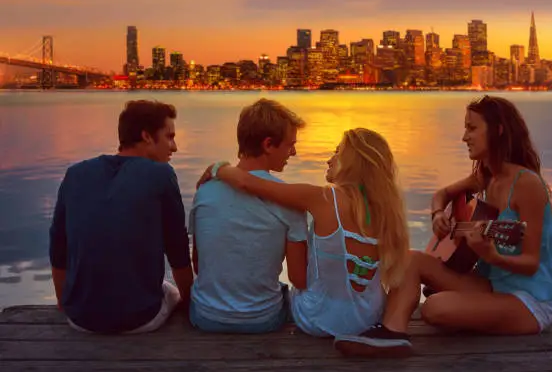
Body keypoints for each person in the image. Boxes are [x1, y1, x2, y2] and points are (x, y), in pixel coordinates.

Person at [335, 95, 552, 357]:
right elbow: (442, 195)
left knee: (434, 308)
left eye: (472, 128)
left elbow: (531, 263)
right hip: (492, 286)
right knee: (411, 259)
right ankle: (392, 333)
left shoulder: (527, 185)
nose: (464, 137)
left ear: (498, 130)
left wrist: (490, 255)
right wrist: (438, 215)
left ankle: (471, 314)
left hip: (530, 301)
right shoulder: (485, 176)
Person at [200, 127, 412, 349]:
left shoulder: (322, 198)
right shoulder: (388, 212)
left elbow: (249, 184)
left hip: (319, 320)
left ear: (352, 161)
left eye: (338, 153)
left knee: (289, 290)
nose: (329, 160)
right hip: (368, 319)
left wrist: (218, 168)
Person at [49, 100, 193, 334]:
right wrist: (189, 303)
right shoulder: (161, 174)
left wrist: (63, 302)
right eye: (169, 137)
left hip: (80, 320)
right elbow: (177, 251)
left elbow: (58, 247)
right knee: (172, 292)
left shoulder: (75, 173)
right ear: (147, 136)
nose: (174, 146)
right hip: (140, 320)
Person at [189, 98, 308, 333]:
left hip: (205, 316)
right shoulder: (289, 201)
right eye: (289, 145)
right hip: (262, 320)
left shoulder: (204, 190)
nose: (293, 152)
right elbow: (299, 279)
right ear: (268, 144)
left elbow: (198, 264)